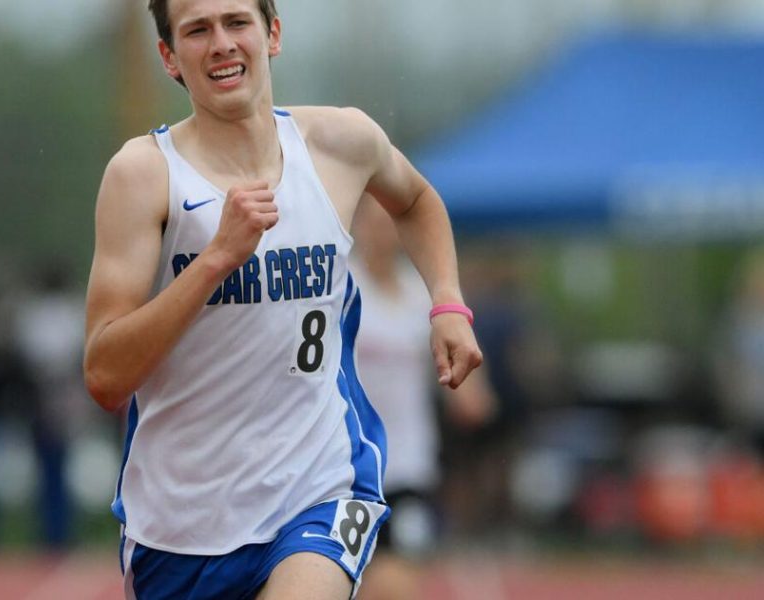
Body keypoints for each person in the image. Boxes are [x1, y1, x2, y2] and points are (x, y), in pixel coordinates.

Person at [83, 1, 482, 597]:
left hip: (318, 487)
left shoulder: (341, 142)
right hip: (181, 524)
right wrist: (215, 260)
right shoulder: (143, 175)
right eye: (198, 30)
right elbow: (105, 375)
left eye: (237, 22)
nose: (222, 43)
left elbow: (417, 200)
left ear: (272, 34)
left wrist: (447, 303)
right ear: (169, 57)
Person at [350, 197, 495, 600]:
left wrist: (469, 392)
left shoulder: (421, 296)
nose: (382, 233)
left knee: (397, 582)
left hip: (408, 466)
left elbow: (460, 371)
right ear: (357, 224)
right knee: (351, 582)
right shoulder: (341, 288)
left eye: (389, 223)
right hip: (348, 467)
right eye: (374, 222)